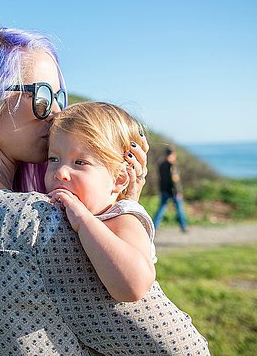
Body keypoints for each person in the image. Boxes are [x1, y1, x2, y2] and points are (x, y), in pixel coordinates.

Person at [0, 24, 209, 355]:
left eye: (60, 97)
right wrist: (121, 211)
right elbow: (182, 348)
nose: (58, 112)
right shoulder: (37, 225)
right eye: (42, 96)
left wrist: (120, 205)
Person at [45, 101, 208, 346]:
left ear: (119, 178)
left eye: (80, 163)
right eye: (54, 158)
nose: (60, 172)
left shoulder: (124, 216)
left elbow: (132, 286)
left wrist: (83, 219)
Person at [153, 146, 188, 232]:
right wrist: (178, 191)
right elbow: (175, 180)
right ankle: (183, 226)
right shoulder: (173, 166)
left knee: (161, 208)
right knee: (179, 209)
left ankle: (154, 226)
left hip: (164, 190)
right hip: (173, 191)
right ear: (172, 154)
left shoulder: (161, 164)